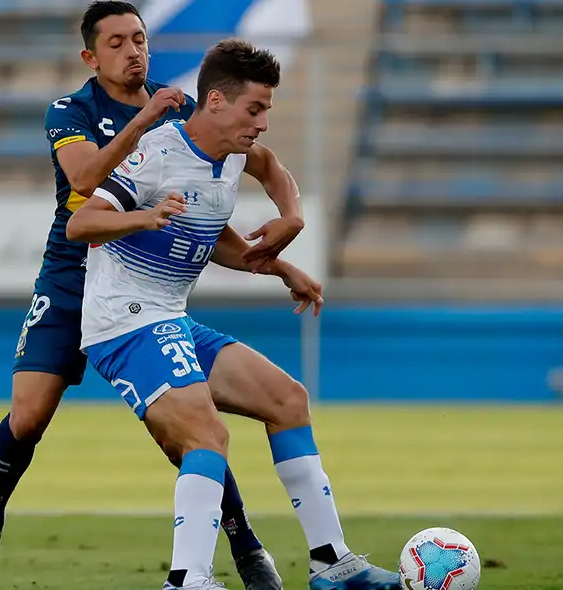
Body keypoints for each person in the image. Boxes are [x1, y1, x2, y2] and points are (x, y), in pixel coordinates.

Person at [0, 3, 293, 590]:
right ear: (90, 56)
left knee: (187, 429)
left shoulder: (181, 108)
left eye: (139, 38)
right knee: (30, 415)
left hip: (141, 287)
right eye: (116, 42)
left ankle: (243, 541)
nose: (133, 50)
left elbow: (256, 164)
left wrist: (284, 237)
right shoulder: (71, 110)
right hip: (72, 277)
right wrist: (142, 125)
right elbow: (86, 181)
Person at [67, 38, 402, 590]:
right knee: (206, 434)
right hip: (124, 322)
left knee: (287, 399)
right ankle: (187, 580)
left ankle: (331, 563)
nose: (264, 123)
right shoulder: (158, 152)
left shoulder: (235, 154)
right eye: (256, 108)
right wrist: (145, 217)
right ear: (216, 101)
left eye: (267, 109)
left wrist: (284, 241)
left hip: (170, 318)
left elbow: (273, 172)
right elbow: (83, 224)